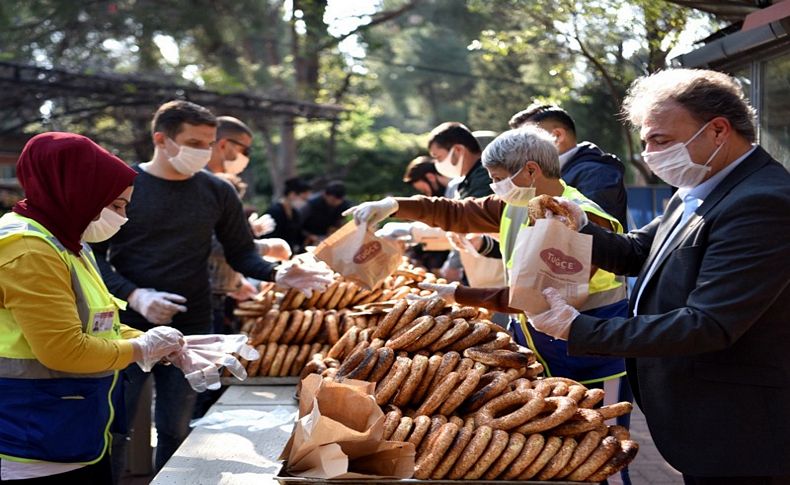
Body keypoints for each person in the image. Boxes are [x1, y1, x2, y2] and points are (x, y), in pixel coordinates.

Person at [529, 69, 790, 483]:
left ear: (718, 130)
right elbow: (638, 251)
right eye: (646, 140)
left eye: (661, 140)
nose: (650, 153)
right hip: (702, 423)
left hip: (742, 430)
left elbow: (709, 323)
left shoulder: (762, 202)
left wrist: (579, 329)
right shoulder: (698, 187)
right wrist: (582, 227)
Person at [91, 100, 332, 474]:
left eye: (208, 142)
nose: (205, 151)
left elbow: (240, 253)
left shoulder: (217, 191)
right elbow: (92, 257)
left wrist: (277, 273)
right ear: (162, 139)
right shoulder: (124, 185)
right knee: (115, 430)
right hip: (127, 327)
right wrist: (136, 295)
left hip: (193, 328)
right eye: (195, 142)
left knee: (174, 428)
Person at [346, 126, 628, 387]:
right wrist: (395, 205)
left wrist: (457, 293)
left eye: (498, 179)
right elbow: (455, 212)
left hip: (592, 356)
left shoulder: (578, 218)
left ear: (531, 171)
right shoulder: (516, 204)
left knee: (603, 435)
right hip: (542, 351)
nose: (494, 187)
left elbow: (536, 296)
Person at [0, 132, 187, 482]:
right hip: (32, 441)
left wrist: (156, 343)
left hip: (76, 429)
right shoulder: (28, 249)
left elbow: (98, 326)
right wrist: (140, 348)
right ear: (76, 192)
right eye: (116, 205)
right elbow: (64, 350)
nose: (123, 217)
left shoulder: (72, 241)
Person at [510, 103, 628, 228]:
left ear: (557, 136)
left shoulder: (597, 174)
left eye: (527, 139)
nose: (519, 149)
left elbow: (594, 234)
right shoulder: (559, 172)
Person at [263, 176, 312, 254]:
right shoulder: (274, 212)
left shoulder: (295, 213)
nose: (305, 203)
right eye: (303, 199)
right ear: (292, 194)